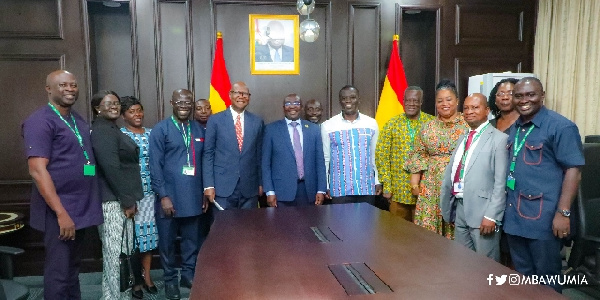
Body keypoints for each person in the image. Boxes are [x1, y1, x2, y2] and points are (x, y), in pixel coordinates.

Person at [22, 70, 103, 299]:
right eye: (63, 85)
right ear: (49, 89)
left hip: (81, 208)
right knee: (59, 271)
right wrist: (61, 213)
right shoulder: (39, 121)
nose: (70, 89)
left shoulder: (76, 118)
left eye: (73, 85)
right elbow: (38, 171)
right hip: (60, 210)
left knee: (72, 269)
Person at [503, 77, 584, 293]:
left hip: (544, 218)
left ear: (542, 96)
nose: (524, 100)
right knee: (523, 277)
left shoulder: (561, 126)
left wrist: (563, 213)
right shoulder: (516, 127)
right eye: (518, 96)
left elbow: (573, 172)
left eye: (531, 95)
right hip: (515, 216)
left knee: (547, 280)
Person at [149, 89, 208, 299]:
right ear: (171, 102)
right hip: (169, 198)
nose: (184, 105)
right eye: (180, 101)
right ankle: (170, 281)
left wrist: (204, 192)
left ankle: (188, 274)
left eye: (188, 102)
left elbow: (204, 163)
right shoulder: (160, 129)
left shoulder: (199, 129)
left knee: (192, 240)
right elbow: (154, 166)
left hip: (194, 196)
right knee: (167, 243)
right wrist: (163, 195)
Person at [440, 93, 508, 261]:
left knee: (486, 265)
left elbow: (501, 183)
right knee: (462, 263)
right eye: (466, 108)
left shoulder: (499, 139)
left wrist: (492, 215)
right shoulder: (463, 138)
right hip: (460, 208)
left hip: (483, 212)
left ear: (487, 110)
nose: (469, 111)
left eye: (475, 107)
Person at [90, 90, 144, 299]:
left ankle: (111, 296)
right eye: (108, 103)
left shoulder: (110, 128)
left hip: (119, 200)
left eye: (116, 103)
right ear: (97, 108)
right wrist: (128, 200)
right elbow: (111, 168)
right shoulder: (103, 131)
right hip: (114, 202)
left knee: (117, 255)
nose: (114, 106)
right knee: (116, 257)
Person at [404, 79, 469, 239]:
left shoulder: (468, 125)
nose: (444, 104)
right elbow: (418, 155)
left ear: (457, 101)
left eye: (449, 99)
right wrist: (414, 185)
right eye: (440, 101)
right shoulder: (428, 127)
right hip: (431, 188)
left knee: (457, 233)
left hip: (460, 187)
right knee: (429, 236)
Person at [376, 86, 434, 221]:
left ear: (421, 102)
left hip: (425, 192)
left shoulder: (431, 123)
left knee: (423, 237)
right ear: (403, 101)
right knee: (398, 235)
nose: (411, 104)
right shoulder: (392, 124)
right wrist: (387, 186)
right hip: (397, 192)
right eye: (408, 101)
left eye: (415, 101)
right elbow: (381, 155)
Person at [203, 82, 264, 210]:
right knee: (224, 228)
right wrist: (208, 185)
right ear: (230, 95)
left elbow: (259, 156)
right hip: (222, 188)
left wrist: (261, 183)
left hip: (249, 188)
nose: (241, 96)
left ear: (249, 97)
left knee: (249, 228)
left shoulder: (257, 122)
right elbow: (208, 153)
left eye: (245, 94)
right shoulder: (215, 120)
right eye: (237, 93)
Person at [120, 96, 158, 295]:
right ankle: (135, 280)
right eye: (132, 111)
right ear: (123, 115)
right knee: (132, 240)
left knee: (148, 239)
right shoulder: (120, 135)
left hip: (150, 194)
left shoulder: (152, 134)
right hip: (130, 195)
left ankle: (147, 276)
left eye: (139, 110)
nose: (137, 115)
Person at [262, 94, 327, 207]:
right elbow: (265, 163)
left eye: (296, 103)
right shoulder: (271, 130)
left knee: (310, 225)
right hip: (281, 193)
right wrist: (269, 191)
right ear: (283, 108)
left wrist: (321, 189)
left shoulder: (313, 129)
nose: (292, 107)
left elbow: (320, 162)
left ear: (301, 107)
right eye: (288, 103)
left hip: (309, 192)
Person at [321, 85, 382, 204]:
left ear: (359, 99)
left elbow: (375, 156)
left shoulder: (371, 124)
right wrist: (326, 185)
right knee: (340, 223)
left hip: (366, 188)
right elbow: (325, 159)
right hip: (339, 190)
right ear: (340, 101)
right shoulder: (328, 126)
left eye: (352, 97)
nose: (348, 101)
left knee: (367, 223)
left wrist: (377, 181)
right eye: (344, 98)